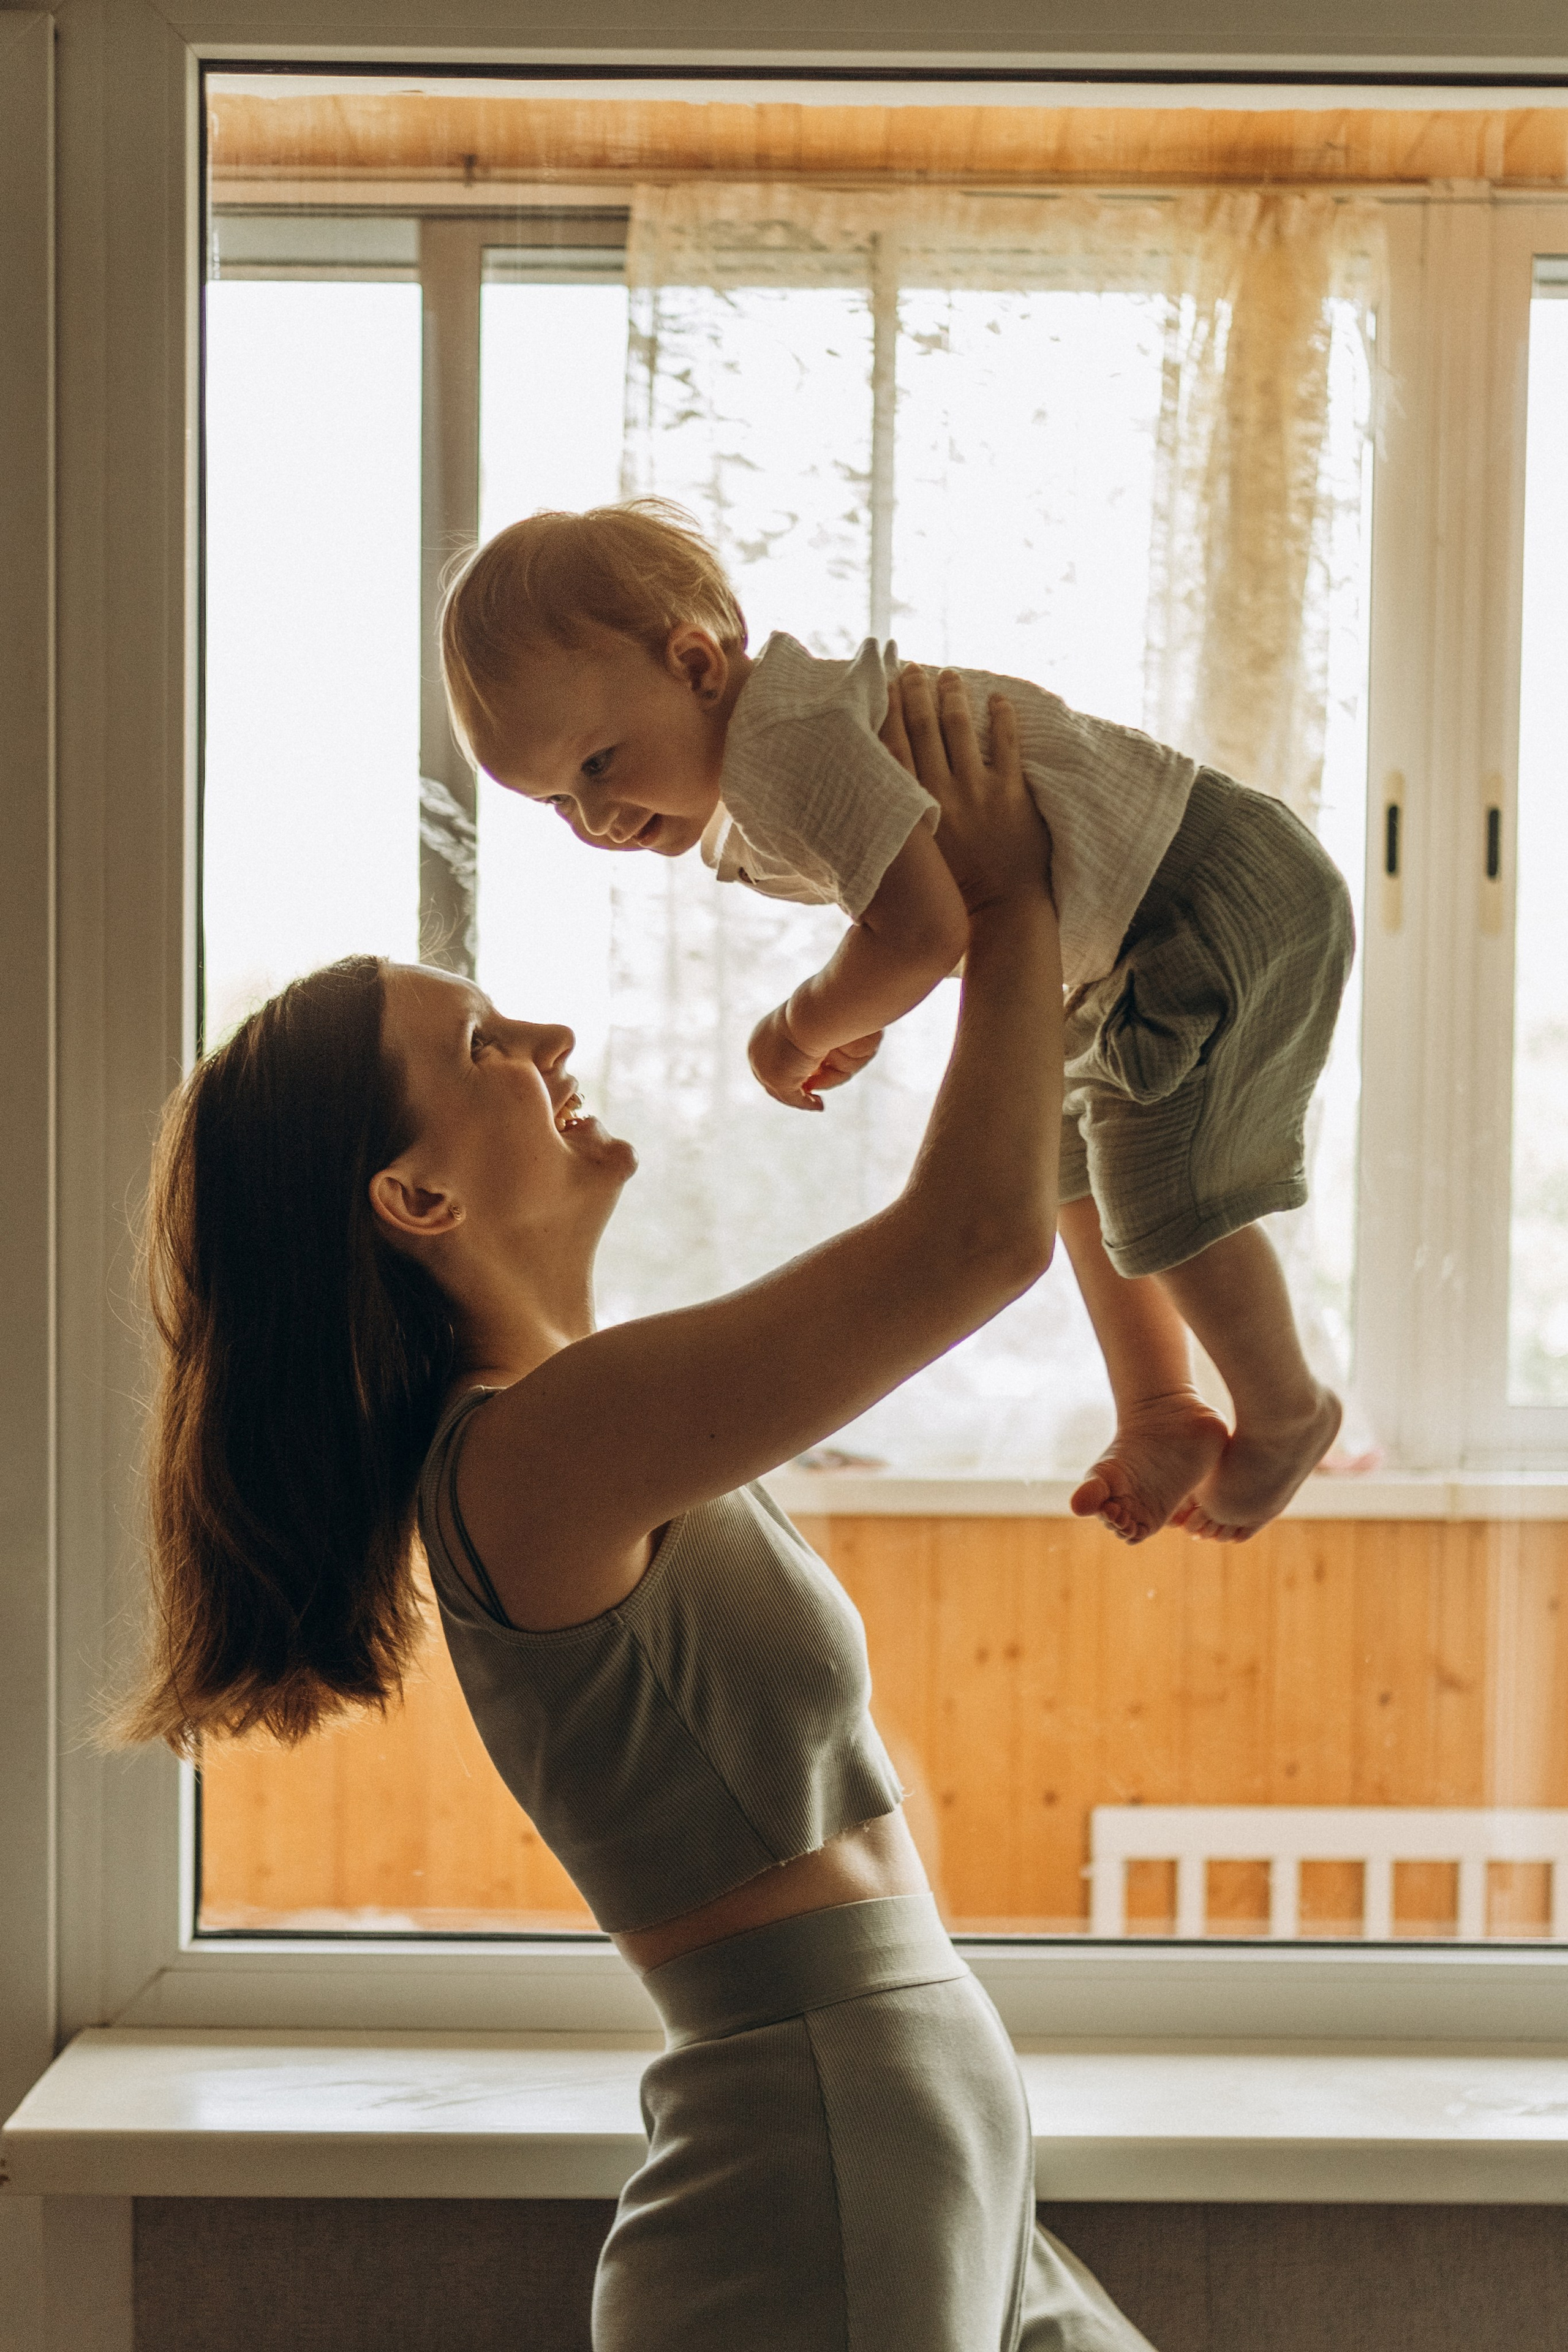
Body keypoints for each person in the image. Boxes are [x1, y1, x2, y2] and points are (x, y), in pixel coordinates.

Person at [119, 668, 1155, 2351]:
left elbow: (1012, 1191)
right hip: (825, 2140)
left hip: (896, 2115)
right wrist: (1008, 894)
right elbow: (974, 1244)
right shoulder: (533, 1451)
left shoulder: (575, 1433)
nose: (549, 1041)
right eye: (480, 1046)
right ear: (415, 1196)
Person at [440, 500, 1355, 1546]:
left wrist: (796, 1024)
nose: (597, 821)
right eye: (559, 802)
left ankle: (1286, 1407)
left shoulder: (777, 746)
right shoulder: (778, 747)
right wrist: (867, 987)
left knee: (1154, 1167)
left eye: (598, 764)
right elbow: (936, 913)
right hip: (1136, 933)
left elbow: (926, 927)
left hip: (1205, 895)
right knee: (1061, 1153)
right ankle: (1159, 1405)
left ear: (696, 666)